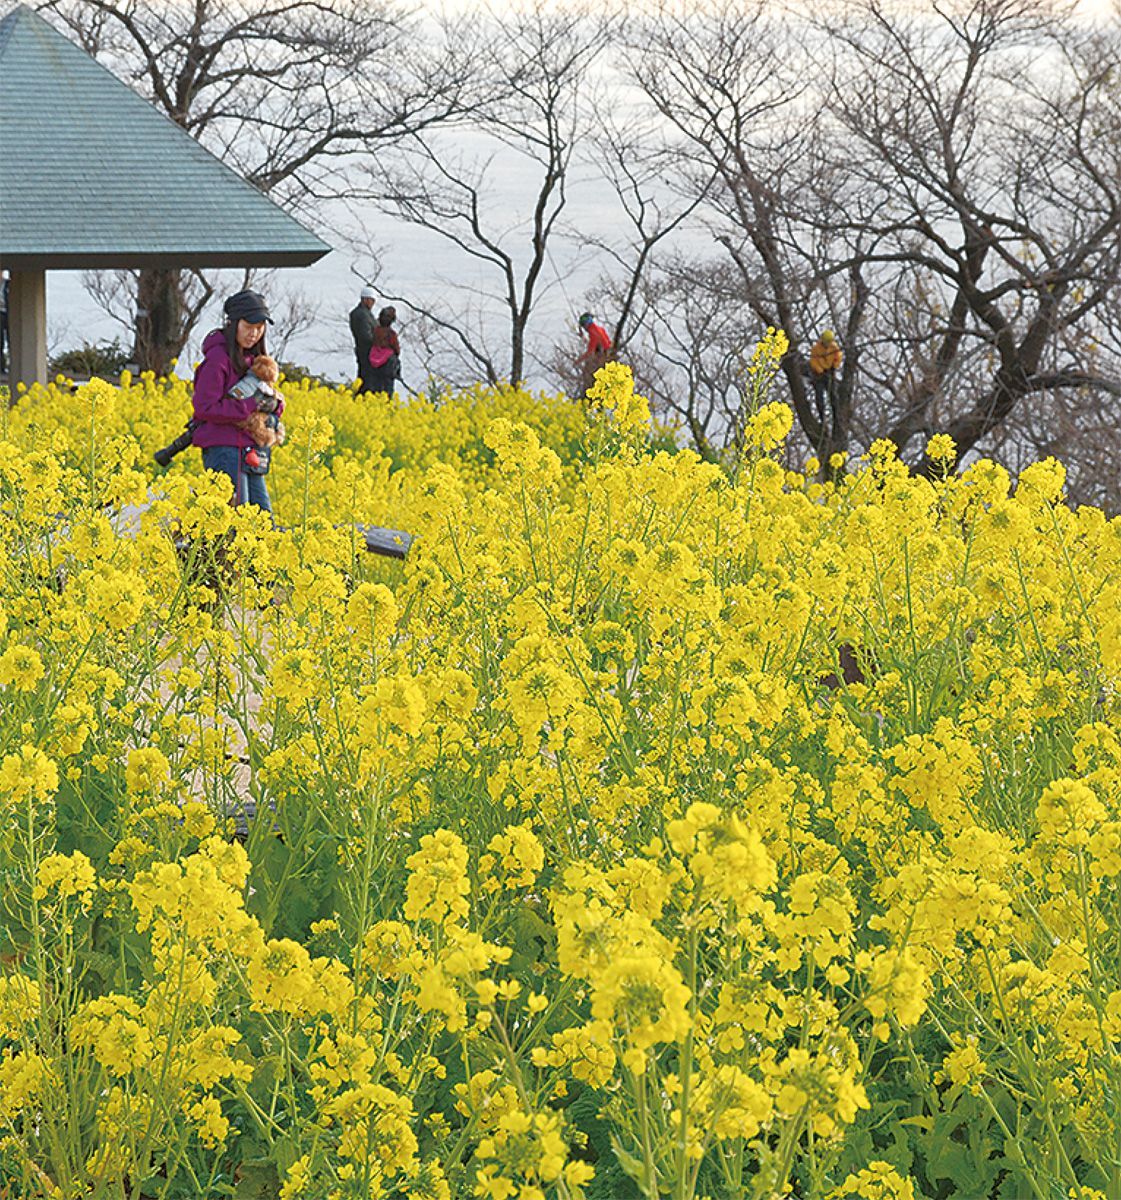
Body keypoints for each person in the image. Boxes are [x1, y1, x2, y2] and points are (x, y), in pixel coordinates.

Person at [191, 289, 283, 518]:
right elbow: (204, 407)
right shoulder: (217, 360)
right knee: (233, 523)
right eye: (249, 326)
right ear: (233, 323)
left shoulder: (255, 362)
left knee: (262, 522)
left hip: (250, 449)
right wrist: (250, 404)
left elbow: (267, 400)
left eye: (260, 327)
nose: (255, 333)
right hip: (224, 450)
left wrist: (273, 405)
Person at [809, 330, 843, 435]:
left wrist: (834, 367)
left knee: (833, 396)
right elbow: (813, 362)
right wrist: (820, 370)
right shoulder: (816, 349)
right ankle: (822, 418)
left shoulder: (834, 347)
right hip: (819, 375)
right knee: (820, 397)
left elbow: (838, 358)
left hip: (829, 373)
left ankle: (836, 418)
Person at [350, 286, 379, 394]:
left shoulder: (363, 313)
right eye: (371, 301)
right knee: (367, 379)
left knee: (364, 377)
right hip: (366, 351)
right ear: (365, 299)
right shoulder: (362, 314)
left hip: (363, 350)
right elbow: (365, 336)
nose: (372, 303)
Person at [366, 306, 401, 399]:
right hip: (388, 363)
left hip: (374, 363)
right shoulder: (391, 334)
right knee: (387, 389)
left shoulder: (376, 331)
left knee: (375, 387)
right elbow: (396, 349)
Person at [576, 312, 612, 394]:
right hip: (608, 354)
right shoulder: (599, 329)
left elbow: (591, 351)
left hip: (603, 357)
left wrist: (578, 361)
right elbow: (594, 344)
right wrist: (583, 338)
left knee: (589, 374)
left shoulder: (593, 333)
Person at [0, 272, 9, 375]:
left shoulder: (8, 284)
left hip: (9, 313)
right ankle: (1, 368)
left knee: (13, 340)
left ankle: (13, 366)